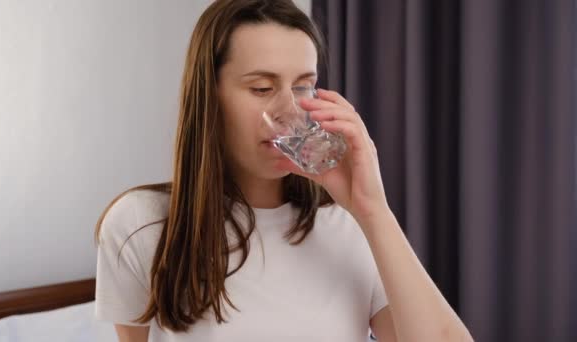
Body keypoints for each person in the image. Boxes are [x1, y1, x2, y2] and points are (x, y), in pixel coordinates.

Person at [94, 0, 474, 341]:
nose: (288, 110)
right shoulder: (140, 224)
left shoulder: (348, 226)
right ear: (209, 97)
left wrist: (373, 210)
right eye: (261, 88)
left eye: (303, 87)